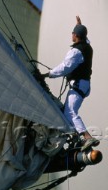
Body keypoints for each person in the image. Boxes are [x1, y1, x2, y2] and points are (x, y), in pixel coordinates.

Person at [41, 16, 99, 151]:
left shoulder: (76, 51)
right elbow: (86, 38)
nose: (71, 35)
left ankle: (87, 137)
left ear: (76, 35)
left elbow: (65, 67)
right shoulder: (87, 47)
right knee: (68, 111)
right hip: (84, 85)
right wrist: (79, 25)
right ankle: (78, 138)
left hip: (78, 85)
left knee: (70, 112)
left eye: (73, 33)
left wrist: (47, 74)